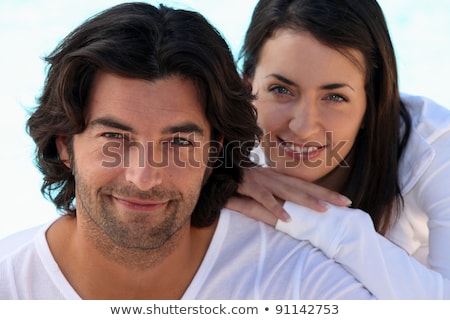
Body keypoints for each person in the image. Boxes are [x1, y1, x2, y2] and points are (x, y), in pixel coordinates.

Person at [0, 2, 375, 300]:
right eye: (115, 138)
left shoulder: (296, 283)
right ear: (65, 144)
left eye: (178, 142)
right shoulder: (11, 288)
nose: (144, 177)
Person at [227, 0, 450, 299]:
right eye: (281, 90)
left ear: (371, 104)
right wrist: (218, 174)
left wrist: (334, 227)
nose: (303, 127)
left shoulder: (435, 148)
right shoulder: (216, 144)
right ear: (248, 86)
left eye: (334, 97)